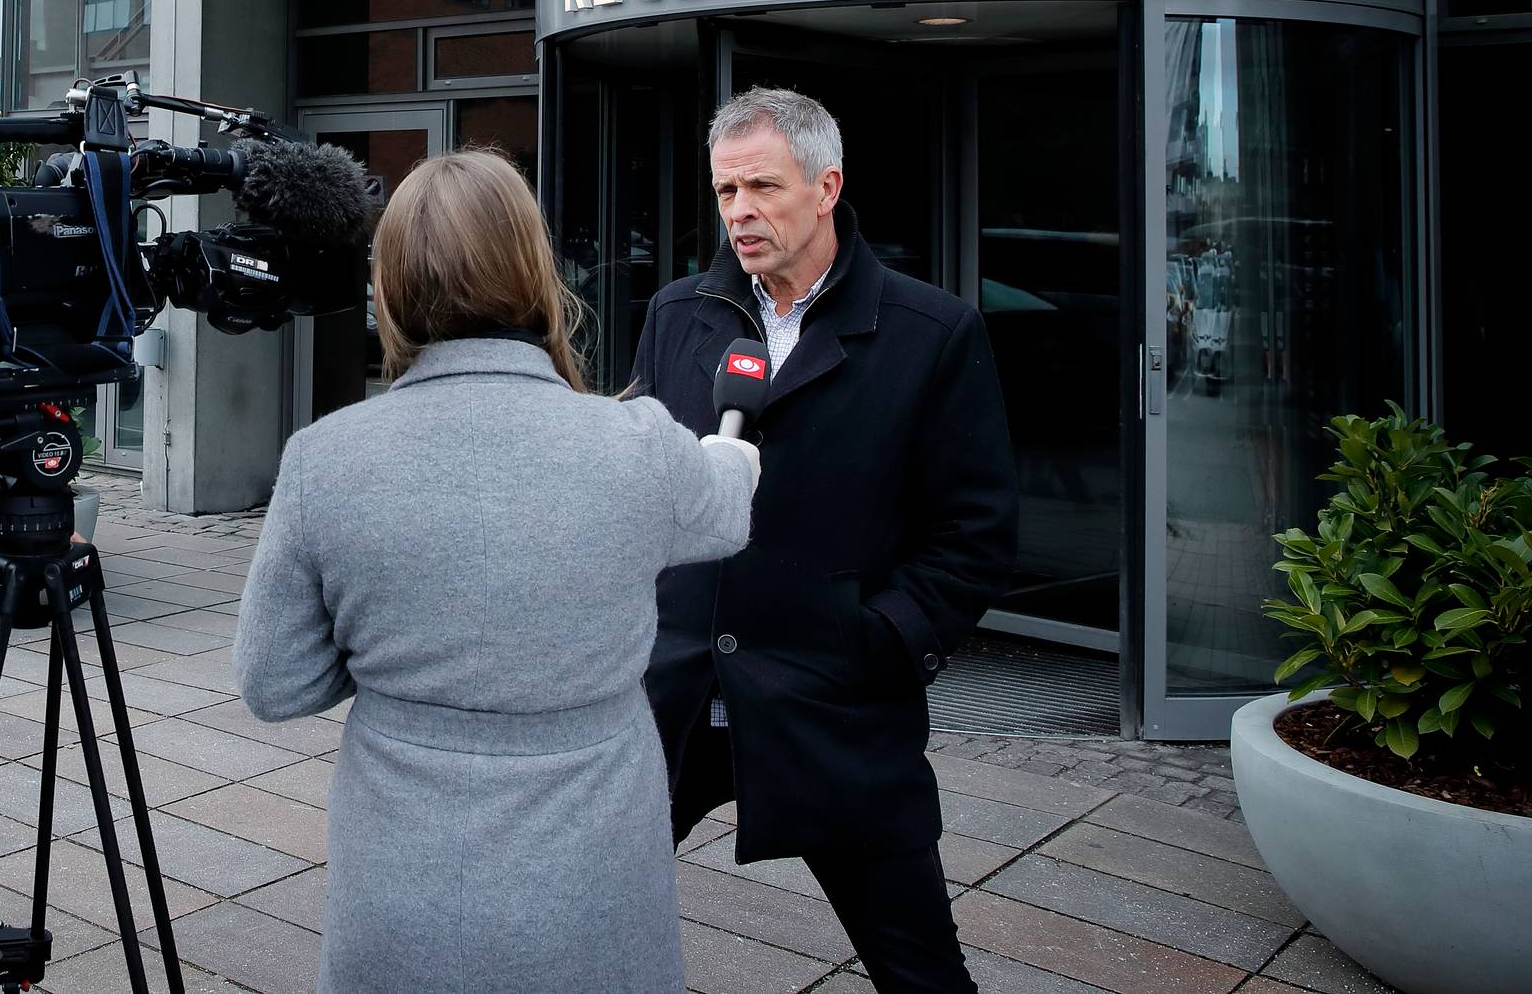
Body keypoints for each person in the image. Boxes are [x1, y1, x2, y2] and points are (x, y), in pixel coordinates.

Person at [235, 149, 759, 992]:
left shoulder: (322, 459)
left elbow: (274, 681)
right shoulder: (639, 445)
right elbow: (730, 505)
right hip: (593, 894)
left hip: (400, 896)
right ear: (534, 270)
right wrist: (727, 445)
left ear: (390, 285)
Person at [630, 87, 1018, 994]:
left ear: (827, 185)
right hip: (675, 698)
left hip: (834, 703)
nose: (740, 213)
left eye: (763, 186)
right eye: (726, 192)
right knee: (565, 916)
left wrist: (878, 639)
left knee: (920, 968)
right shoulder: (677, 313)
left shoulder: (934, 332)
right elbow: (645, 484)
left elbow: (976, 532)